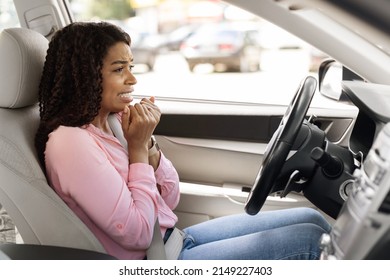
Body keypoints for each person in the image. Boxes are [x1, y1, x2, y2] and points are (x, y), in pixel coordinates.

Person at [35, 21, 331, 260]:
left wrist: (148, 147)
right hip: (155, 261)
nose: (132, 79)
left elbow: (169, 199)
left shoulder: (113, 122)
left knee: (311, 219)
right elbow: (138, 233)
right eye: (118, 69)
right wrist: (137, 149)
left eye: (131, 66)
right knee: (310, 240)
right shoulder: (70, 143)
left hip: (172, 241)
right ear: (85, 76)